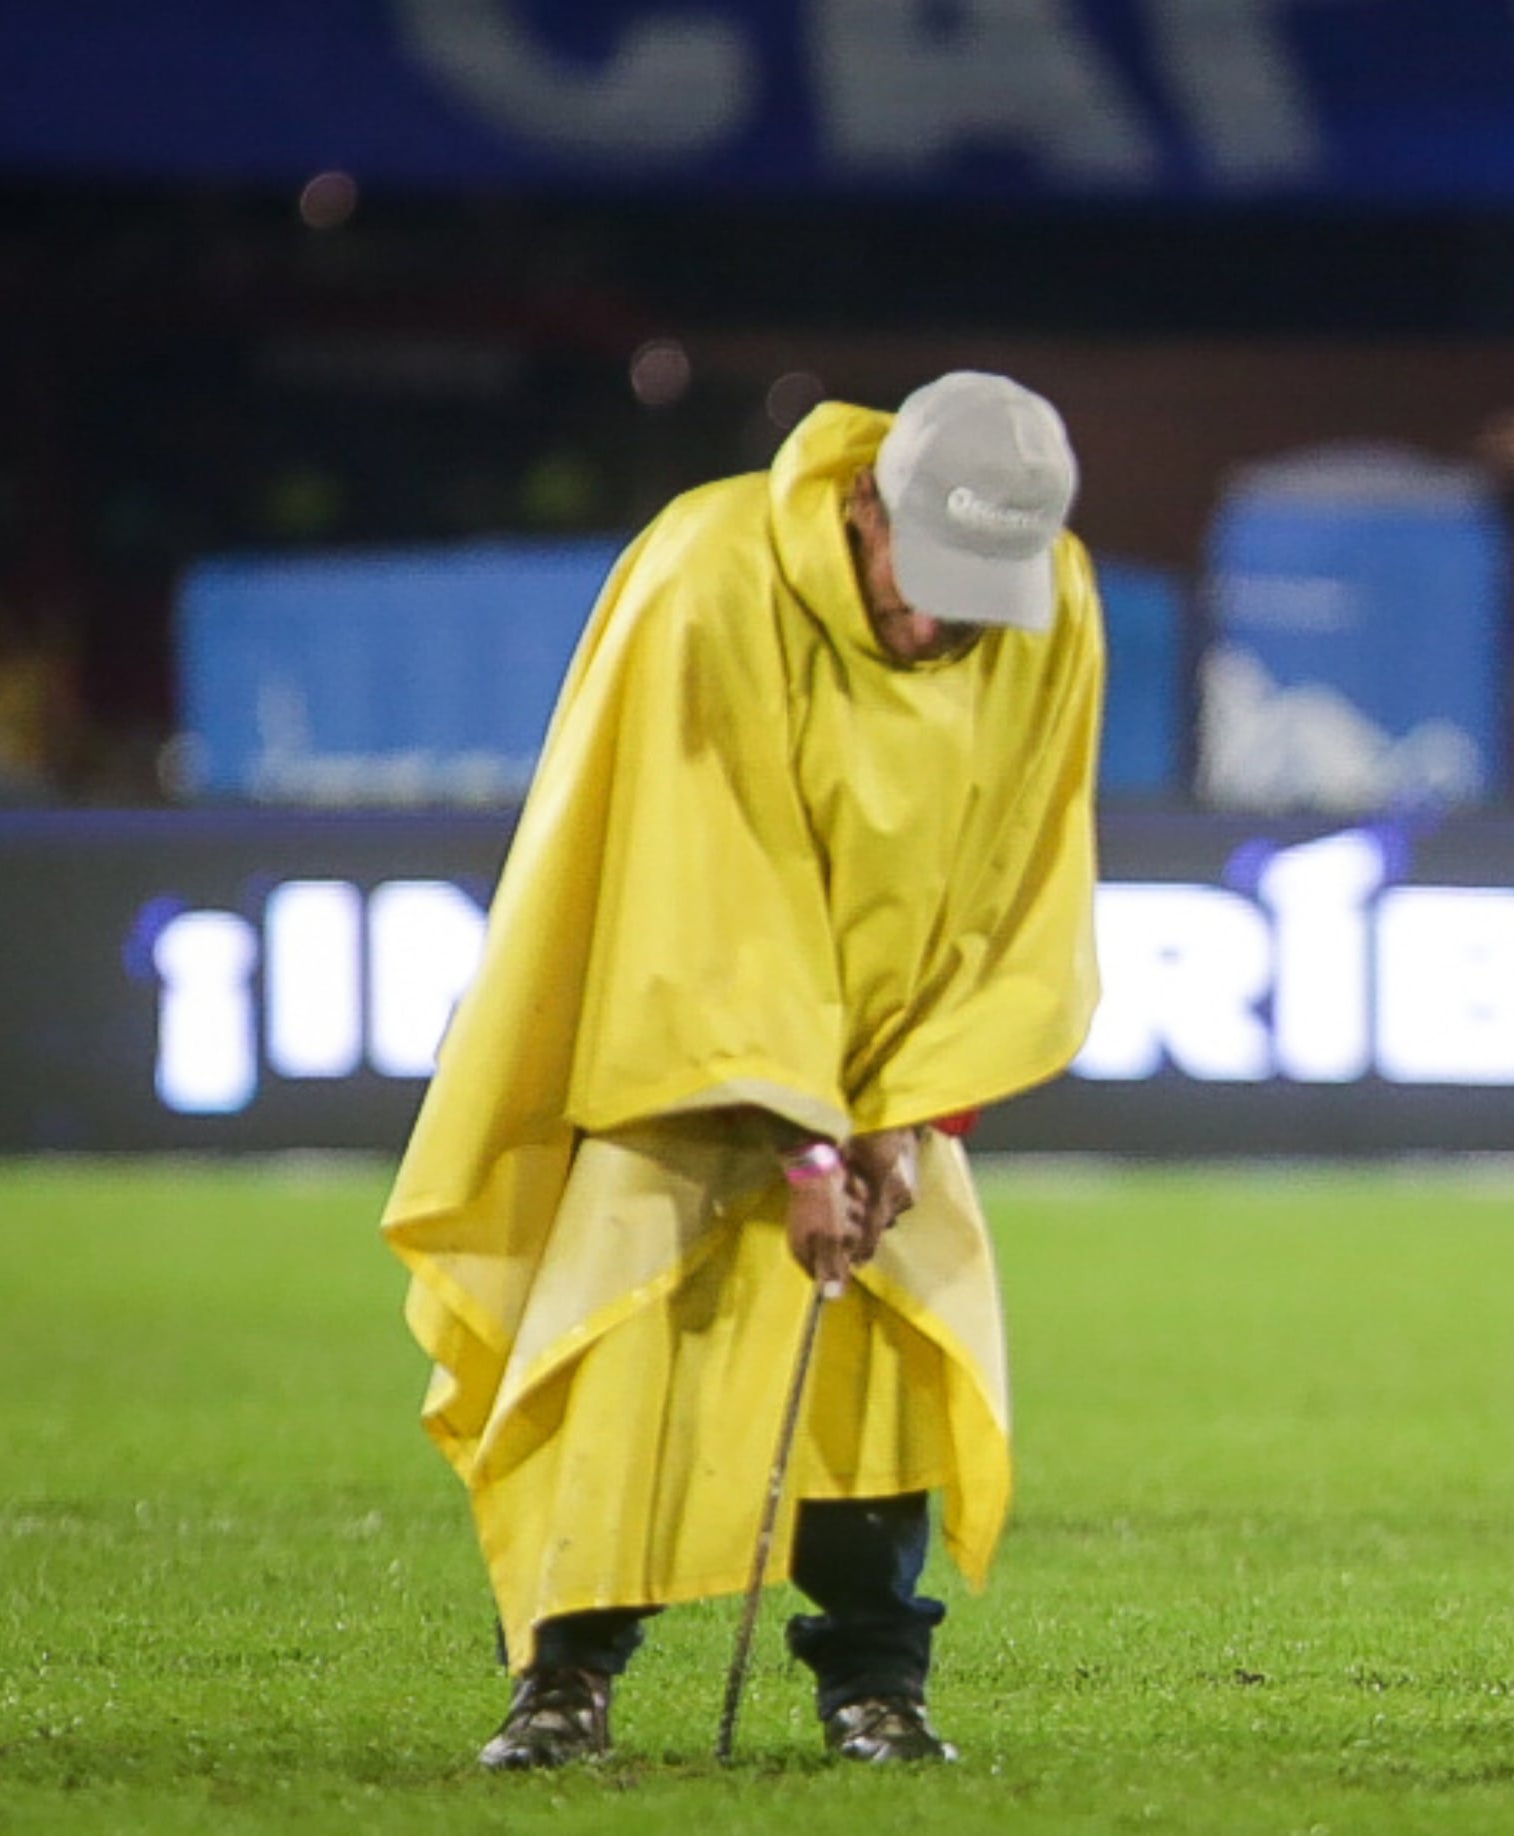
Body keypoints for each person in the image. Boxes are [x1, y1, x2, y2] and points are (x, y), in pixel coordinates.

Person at [380, 373, 1105, 1771]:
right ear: (868, 503)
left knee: (883, 1364)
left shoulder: (1050, 603)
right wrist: (808, 1145)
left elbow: (1019, 868)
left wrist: (908, 1107)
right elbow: (710, 876)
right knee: (629, 1344)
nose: (940, 622)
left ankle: (878, 1687)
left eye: (977, 593)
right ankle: (563, 1680)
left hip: (890, 1061)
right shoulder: (710, 574)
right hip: (677, 1043)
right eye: (926, 577)